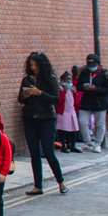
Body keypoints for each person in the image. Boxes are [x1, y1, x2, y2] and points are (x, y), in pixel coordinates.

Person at [17, 53, 66, 196]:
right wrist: (25, 95)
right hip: (30, 118)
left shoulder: (50, 79)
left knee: (49, 152)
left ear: (42, 65)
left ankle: (61, 182)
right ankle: (37, 185)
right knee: (34, 153)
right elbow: (21, 99)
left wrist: (39, 93)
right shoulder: (26, 79)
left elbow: (55, 99)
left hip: (46, 119)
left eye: (35, 65)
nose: (33, 68)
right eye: (31, 65)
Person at [76, 55, 108, 152]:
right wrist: (84, 87)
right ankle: (87, 142)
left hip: (100, 102)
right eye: (89, 64)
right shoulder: (84, 72)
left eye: (93, 64)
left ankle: (97, 143)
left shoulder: (105, 74)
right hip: (86, 101)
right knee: (82, 121)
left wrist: (96, 89)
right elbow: (78, 85)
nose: (91, 66)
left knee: (100, 124)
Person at [54, 71, 82, 152]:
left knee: (73, 129)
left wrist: (75, 92)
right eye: (67, 79)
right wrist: (63, 91)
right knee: (63, 130)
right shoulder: (60, 89)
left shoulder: (72, 89)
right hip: (63, 111)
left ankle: (73, 145)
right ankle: (63, 146)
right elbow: (59, 101)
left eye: (70, 79)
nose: (69, 81)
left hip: (71, 111)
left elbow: (76, 101)